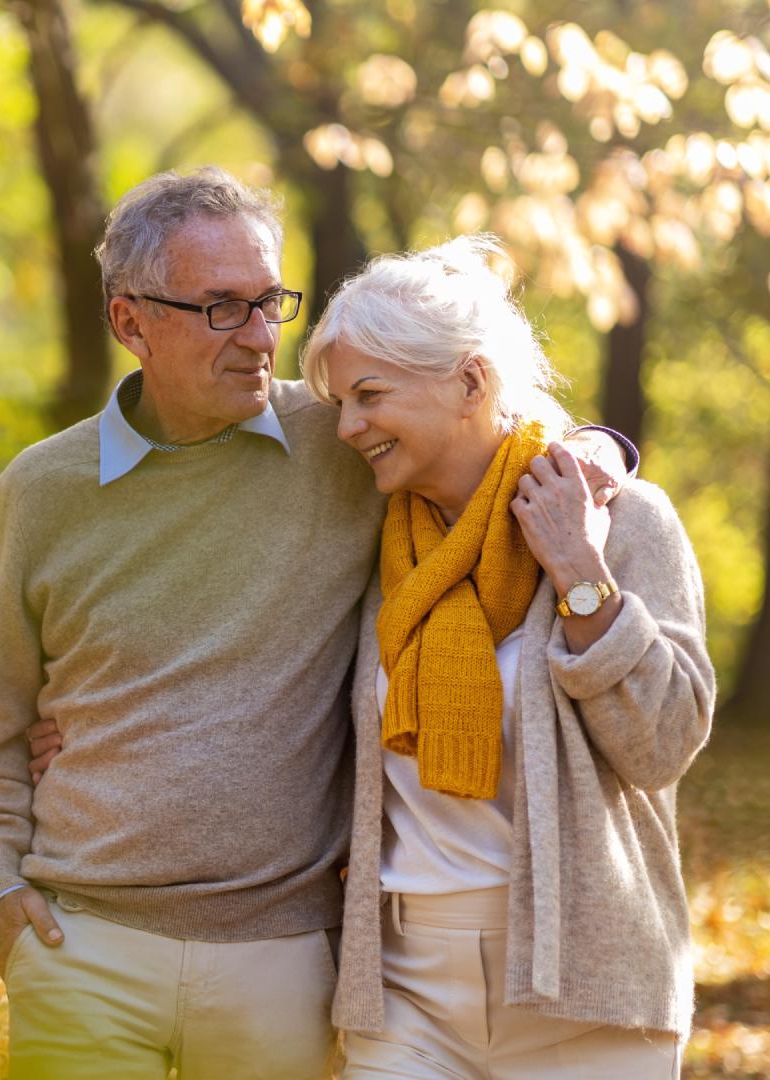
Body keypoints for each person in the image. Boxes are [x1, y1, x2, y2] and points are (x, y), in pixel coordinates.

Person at [0, 168, 632, 1079]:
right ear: (130, 322)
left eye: (271, 300)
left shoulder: (342, 445)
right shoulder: (41, 491)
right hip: (82, 945)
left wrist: (596, 449)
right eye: (223, 307)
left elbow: (481, 434)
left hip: (286, 956)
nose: (262, 337)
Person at [306, 236, 712, 1075]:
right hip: (404, 986)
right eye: (342, 401)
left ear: (470, 381)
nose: (348, 427)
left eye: (370, 395)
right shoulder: (375, 538)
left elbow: (664, 746)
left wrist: (580, 573)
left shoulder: (621, 521)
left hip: (585, 988)